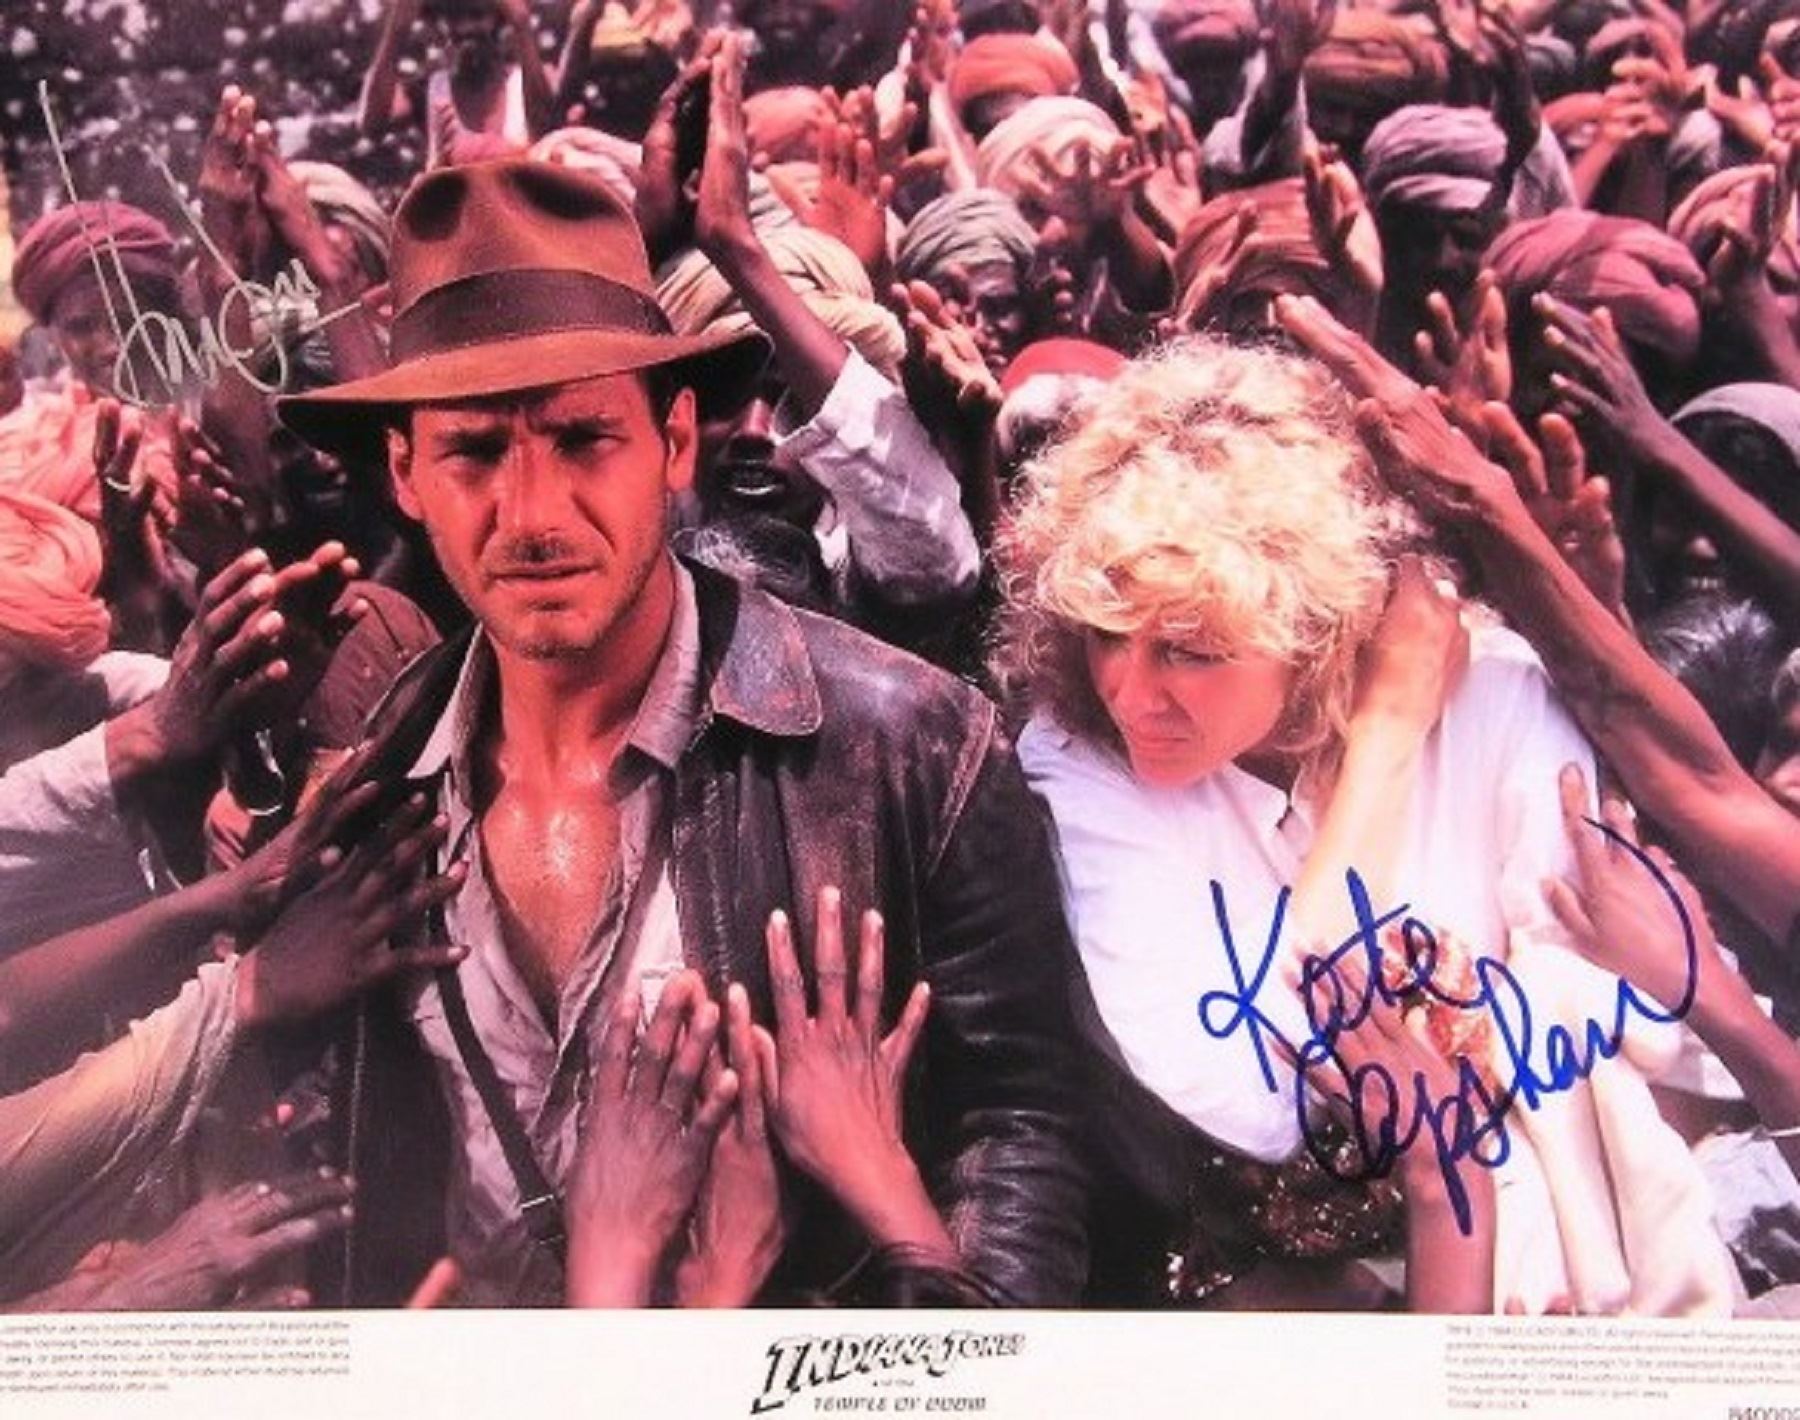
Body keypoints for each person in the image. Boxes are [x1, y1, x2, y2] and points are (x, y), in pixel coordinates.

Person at [275, 145, 1089, 1307]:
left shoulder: (911, 745)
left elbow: (1020, 1128)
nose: (532, 512)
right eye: (475, 451)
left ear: (673, 443)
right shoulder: (379, 789)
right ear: (404, 475)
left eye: (582, 439)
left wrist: (930, 1358)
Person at [994, 335, 1737, 1314]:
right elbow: (1248, 1089)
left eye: (1189, 650)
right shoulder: (1079, 755)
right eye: (1104, 634)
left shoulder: (1496, 694)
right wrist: (1388, 734)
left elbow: (1634, 1043)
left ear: (1314, 628)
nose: (1129, 693)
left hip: (1548, 1265)